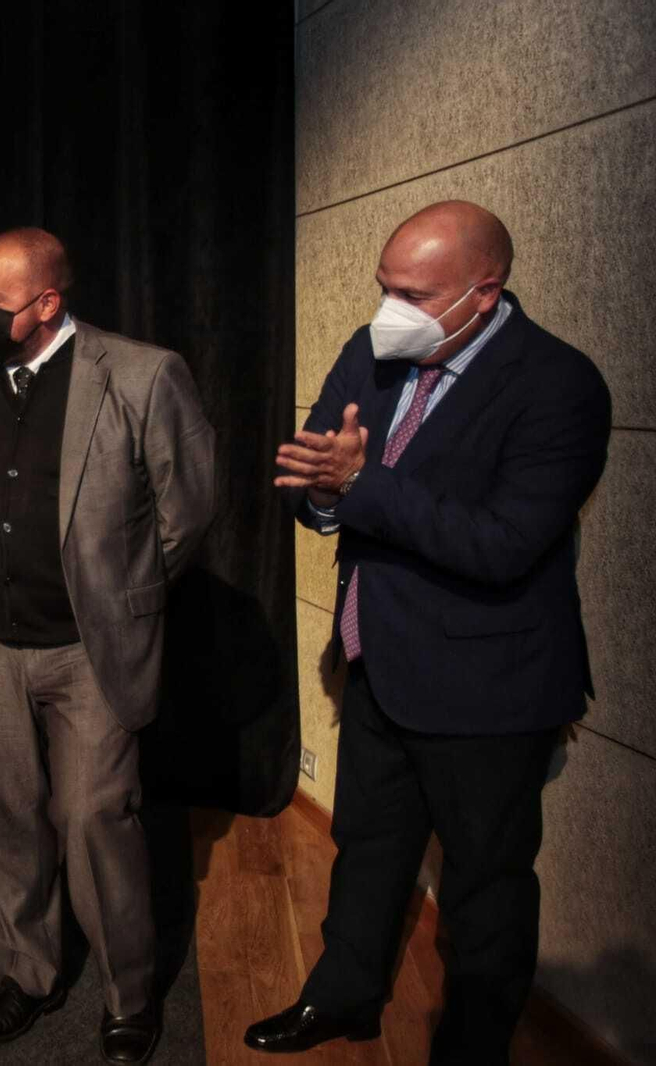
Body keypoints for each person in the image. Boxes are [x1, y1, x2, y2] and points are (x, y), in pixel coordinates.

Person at [254, 201, 611, 1062]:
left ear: (484, 293)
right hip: (375, 659)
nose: (390, 310)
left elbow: (504, 544)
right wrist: (328, 491)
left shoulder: (559, 384)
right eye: (385, 287)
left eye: (413, 295)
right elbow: (314, 478)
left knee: (486, 887)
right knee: (367, 845)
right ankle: (342, 997)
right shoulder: (371, 350)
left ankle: (472, 1047)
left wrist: (360, 485)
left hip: (489, 688)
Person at [0, 228, 216, 1064]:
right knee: (8, 817)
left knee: (97, 819)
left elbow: (188, 509)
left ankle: (130, 995)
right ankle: (27, 973)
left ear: (47, 304)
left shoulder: (140, 373)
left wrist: (121, 596)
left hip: (88, 650)